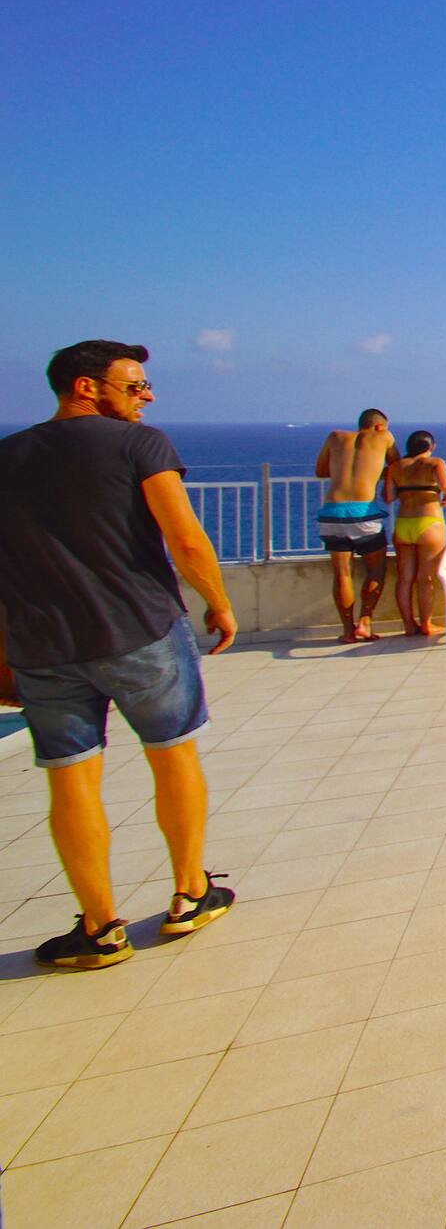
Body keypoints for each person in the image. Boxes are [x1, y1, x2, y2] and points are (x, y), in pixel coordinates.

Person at [0, 341, 238, 969]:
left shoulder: (7, 456)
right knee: (173, 756)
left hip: (45, 644)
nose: (147, 397)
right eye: (135, 386)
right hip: (141, 632)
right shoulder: (139, 444)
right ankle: (190, 894)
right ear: (86, 387)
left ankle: (100, 928)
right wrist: (218, 602)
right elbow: (184, 538)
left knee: (70, 777)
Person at [315, 409, 396, 642]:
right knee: (376, 569)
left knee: (342, 573)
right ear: (379, 426)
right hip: (363, 513)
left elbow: (320, 471)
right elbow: (398, 465)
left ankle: (348, 631)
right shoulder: (383, 436)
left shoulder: (335, 437)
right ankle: (365, 621)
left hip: (332, 512)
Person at [384, 430, 446, 637]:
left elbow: (388, 497)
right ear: (431, 447)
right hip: (429, 523)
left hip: (403, 524)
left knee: (404, 579)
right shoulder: (435, 463)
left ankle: (408, 624)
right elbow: (445, 486)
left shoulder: (395, 467)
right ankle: (426, 624)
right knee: (426, 578)